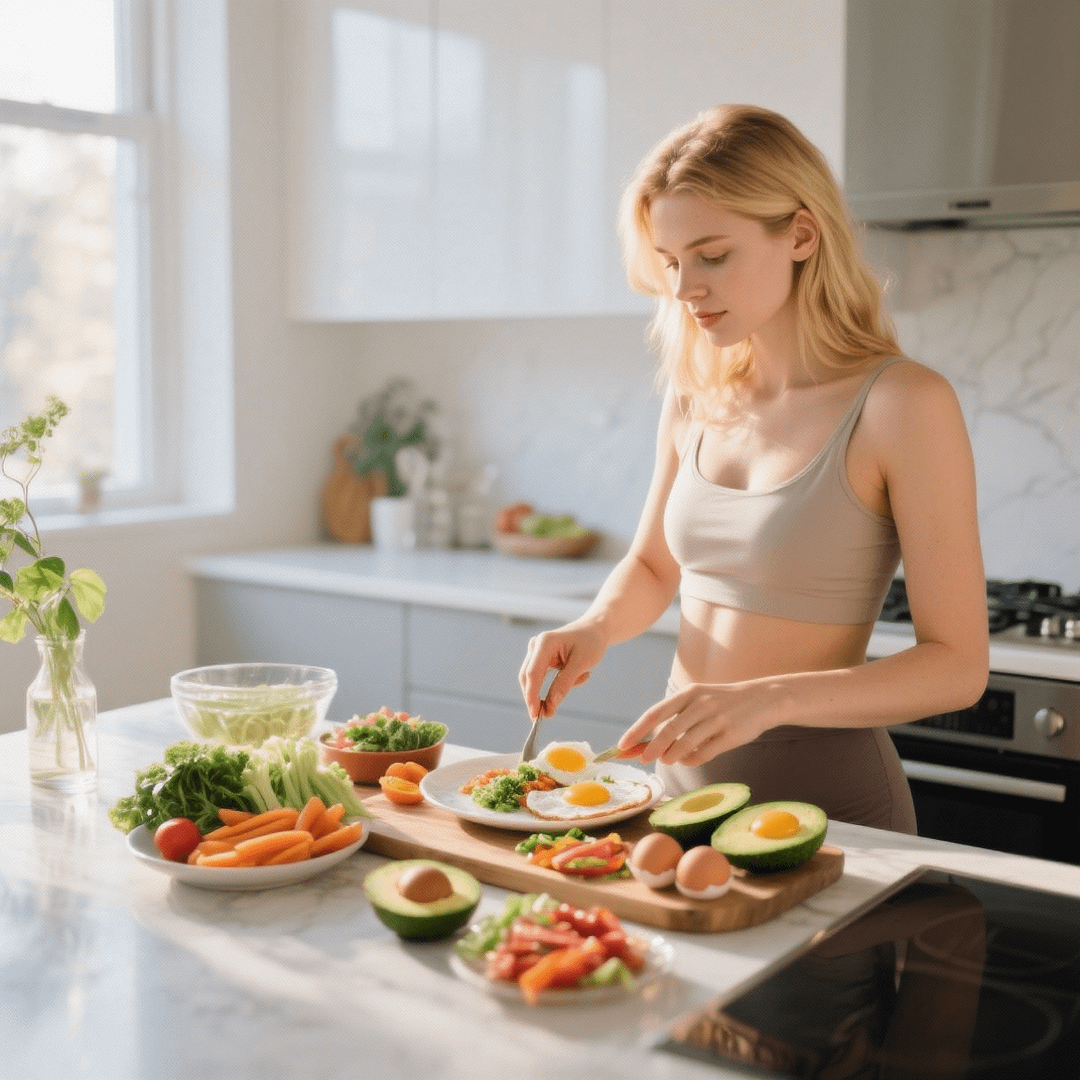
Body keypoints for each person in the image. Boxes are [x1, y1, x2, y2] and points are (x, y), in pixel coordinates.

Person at [518, 105, 989, 832]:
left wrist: (769, 698)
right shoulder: (695, 393)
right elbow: (653, 566)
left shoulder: (901, 404)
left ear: (800, 235)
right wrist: (596, 626)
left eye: (712, 255)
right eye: (671, 261)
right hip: (677, 794)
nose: (685, 288)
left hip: (829, 813)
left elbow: (958, 666)